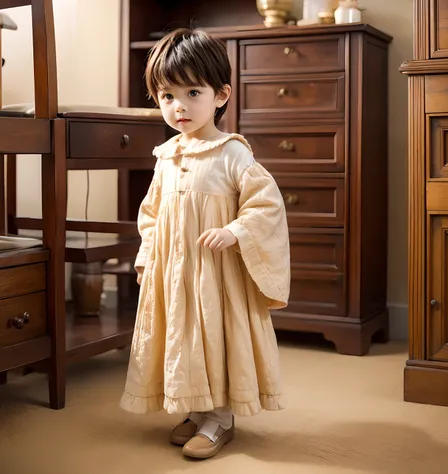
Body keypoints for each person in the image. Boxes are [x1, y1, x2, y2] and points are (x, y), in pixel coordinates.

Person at [120, 28, 291, 459]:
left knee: (214, 333)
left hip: (216, 273)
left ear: (220, 95)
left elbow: (265, 205)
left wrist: (235, 230)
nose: (179, 106)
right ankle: (197, 410)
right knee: (183, 334)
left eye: (192, 92)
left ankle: (220, 418)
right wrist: (147, 259)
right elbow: (152, 214)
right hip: (175, 271)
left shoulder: (232, 154)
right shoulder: (167, 156)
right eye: (166, 96)